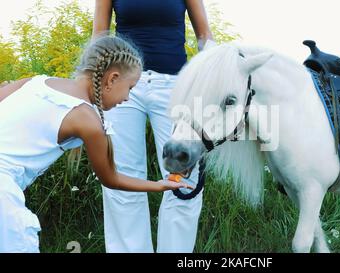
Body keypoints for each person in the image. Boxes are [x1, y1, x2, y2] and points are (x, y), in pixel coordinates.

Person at [0, 36, 191, 253]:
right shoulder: (87, 119)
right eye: (130, 87)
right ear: (112, 79)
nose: (128, 98)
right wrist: (159, 185)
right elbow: (111, 179)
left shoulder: (35, 81)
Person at [93, 0, 214, 253]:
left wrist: (211, 73)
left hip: (174, 87)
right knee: (122, 177)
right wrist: (93, 88)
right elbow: (100, 36)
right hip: (121, 85)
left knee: (184, 179)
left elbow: (204, 36)